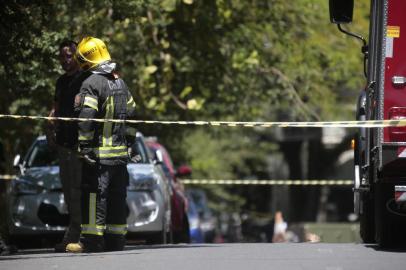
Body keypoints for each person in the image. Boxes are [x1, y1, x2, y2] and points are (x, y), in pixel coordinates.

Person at [66, 37, 136, 253]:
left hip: (99, 156)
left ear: (85, 61)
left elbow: (87, 117)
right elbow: (133, 115)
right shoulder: (120, 82)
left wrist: (84, 147)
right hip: (120, 157)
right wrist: (129, 145)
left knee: (94, 196)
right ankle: (116, 241)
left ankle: (92, 242)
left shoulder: (91, 83)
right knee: (117, 197)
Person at [47, 40, 85, 252]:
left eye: (68, 55)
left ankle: (80, 236)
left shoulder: (85, 79)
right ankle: (72, 233)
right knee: (68, 191)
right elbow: (55, 108)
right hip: (63, 143)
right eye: (62, 57)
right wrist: (50, 126)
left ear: (77, 56)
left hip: (79, 144)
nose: (65, 60)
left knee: (79, 191)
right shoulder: (61, 82)